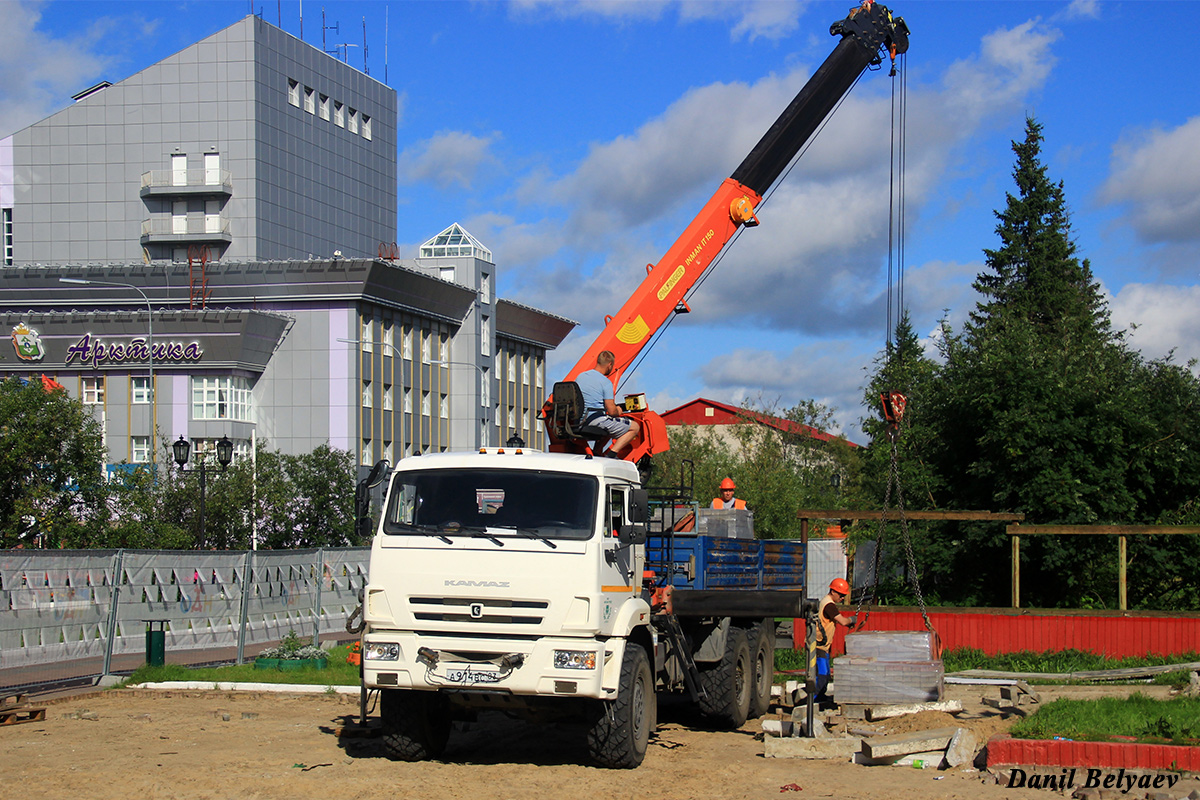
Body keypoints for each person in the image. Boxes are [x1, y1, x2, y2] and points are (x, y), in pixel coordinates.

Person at [573, 350, 640, 457]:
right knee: (635, 427)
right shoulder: (605, 382)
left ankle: (597, 452)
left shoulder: (580, 377)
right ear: (609, 365)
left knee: (608, 422)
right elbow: (612, 411)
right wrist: (619, 410)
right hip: (594, 420)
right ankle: (611, 455)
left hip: (579, 420)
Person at [813, 577, 856, 706]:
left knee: (826, 676)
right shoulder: (829, 605)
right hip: (818, 645)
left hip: (823, 646)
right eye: (841, 595)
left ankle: (820, 699)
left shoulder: (827, 603)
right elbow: (842, 621)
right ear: (833, 592)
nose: (842, 598)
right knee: (822, 675)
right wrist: (851, 620)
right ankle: (810, 701)